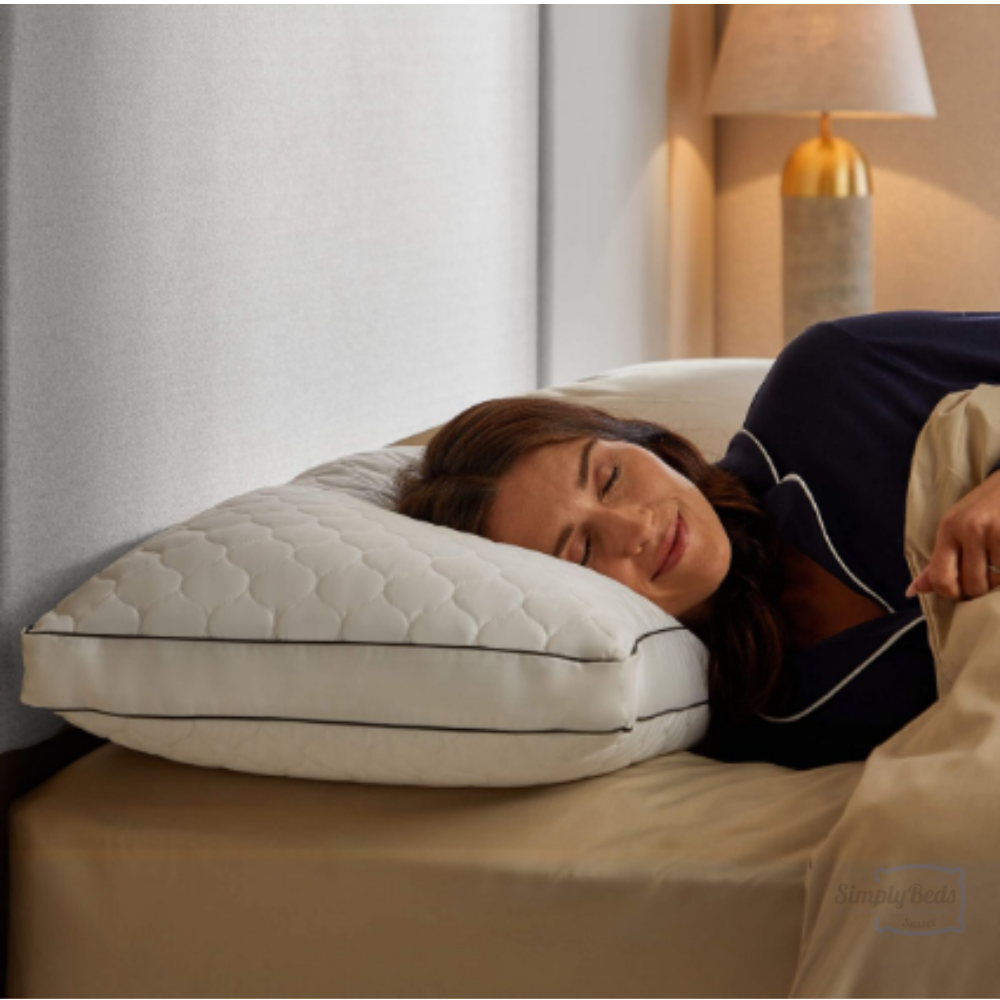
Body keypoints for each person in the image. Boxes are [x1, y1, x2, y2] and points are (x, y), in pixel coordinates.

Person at [395, 312, 1000, 769]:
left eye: (611, 476)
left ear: (644, 441)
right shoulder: (742, 722)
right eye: (580, 552)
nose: (636, 528)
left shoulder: (833, 383)